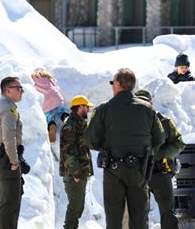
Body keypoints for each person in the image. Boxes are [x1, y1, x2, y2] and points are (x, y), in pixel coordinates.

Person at [84, 68, 165, 229]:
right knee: (139, 216)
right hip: (139, 169)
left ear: (119, 84)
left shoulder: (104, 109)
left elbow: (89, 139)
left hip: (113, 168)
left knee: (114, 217)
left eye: (113, 82)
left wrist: (106, 146)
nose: (112, 86)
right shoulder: (147, 109)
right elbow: (160, 137)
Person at [135, 89, 185, 229]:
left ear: (151, 102)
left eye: (145, 102)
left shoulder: (164, 122)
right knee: (138, 213)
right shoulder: (130, 125)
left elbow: (179, 143)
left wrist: (162, 155)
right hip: (138, 174)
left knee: (167, 212)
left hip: (160, 173)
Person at [0, 76, 24, 229]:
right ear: (7, 90)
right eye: (18, 88)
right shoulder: (9, 108)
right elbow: (8, 137)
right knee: (9, 205)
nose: (22, 91)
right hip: (7, 160)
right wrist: (14, 160)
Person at [60, 95, 94, 229]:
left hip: (80, 172)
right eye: (87, 107)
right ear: (80, 107)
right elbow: (68, 151)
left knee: (78, 207)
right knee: (74, 207)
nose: (88, 110)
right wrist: (76, 173)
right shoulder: (70, 125)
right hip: (75, 174)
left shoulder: (80, 123)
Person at [31, 68, 69, 143]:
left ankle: (51, 124)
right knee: (61, 111)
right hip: (56, 99)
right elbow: (54, 84)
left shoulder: (33, 80)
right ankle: (66, 118)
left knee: (49, 116)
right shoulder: (47, 77)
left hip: (46, 103)